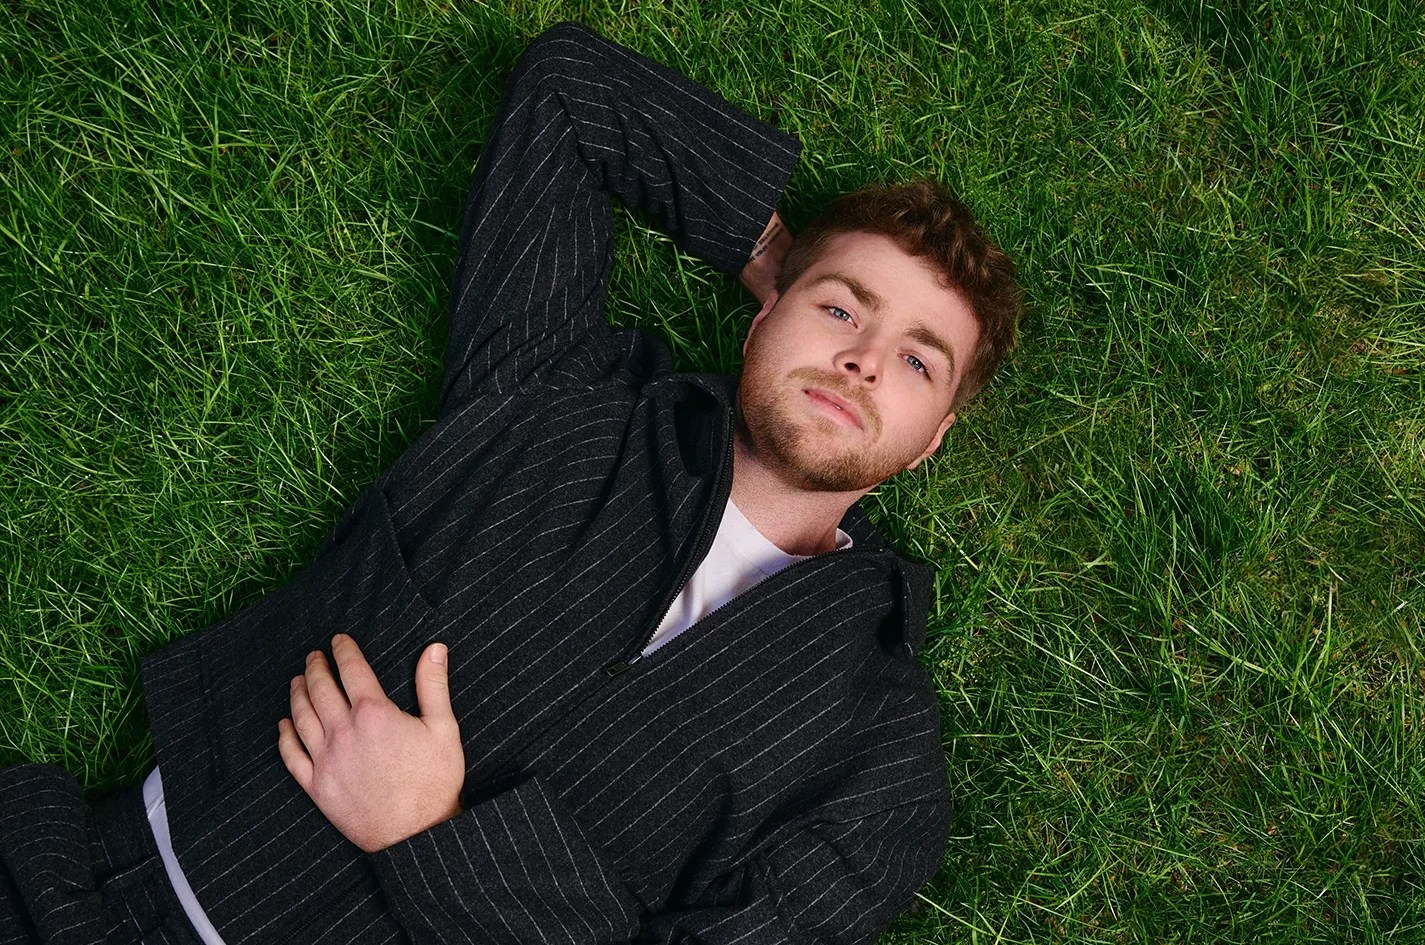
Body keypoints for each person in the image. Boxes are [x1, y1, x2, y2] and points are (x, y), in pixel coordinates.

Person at [0, 19, 1020, 945]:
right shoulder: (559, 389)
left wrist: (432, 835)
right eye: (842, 311)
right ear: (765, 317)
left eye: (920, 361)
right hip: (86, 889)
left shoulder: (881, 761)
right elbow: (572, 93)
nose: (866, 359)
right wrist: (773, 252)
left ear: (931, 442)